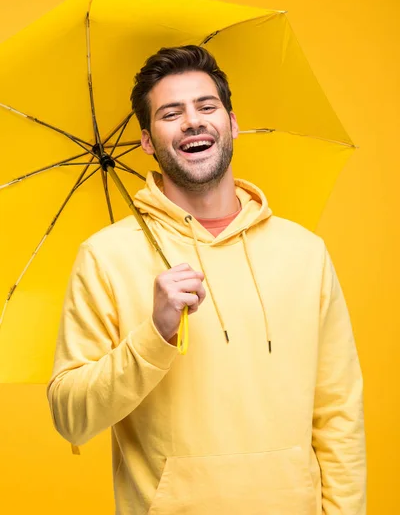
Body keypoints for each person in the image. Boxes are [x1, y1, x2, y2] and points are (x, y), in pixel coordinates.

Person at [46, 45, 366, 515]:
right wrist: (155, 335)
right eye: (171, 113)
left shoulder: (305, 252)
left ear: (232, 124)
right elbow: (71, 418)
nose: (192, 122)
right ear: (148, 142)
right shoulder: (107, 256)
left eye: (206, 106)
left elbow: (338, 415)